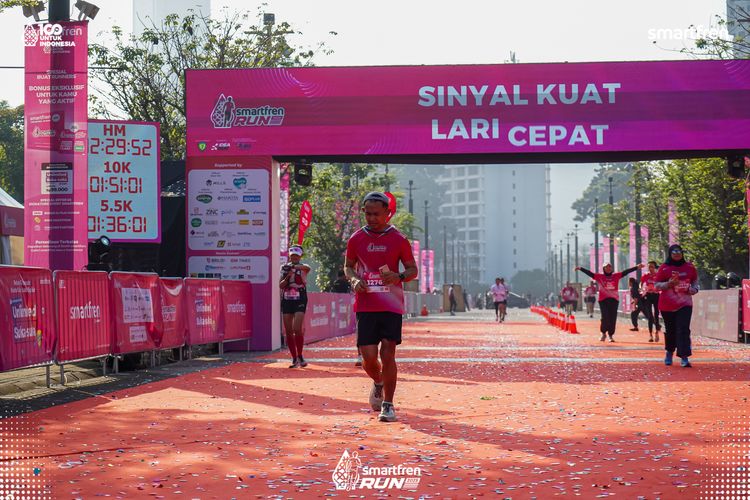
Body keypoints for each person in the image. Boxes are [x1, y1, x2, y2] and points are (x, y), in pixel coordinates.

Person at [344, 191, 418, 422]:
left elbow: (412, 270)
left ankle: (388, 404)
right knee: (368, 359)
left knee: (388, 353)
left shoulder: (399, 239)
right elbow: (348, 266)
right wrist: (354, 280)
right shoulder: (356, 238)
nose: (372, 218)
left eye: (376, 214)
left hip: (391, 305)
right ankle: (378, 382)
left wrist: (398, 276)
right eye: (368, 214)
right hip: (366, 305)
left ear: (387, 213)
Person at [654, 244, 699, 367]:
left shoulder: (689, 267)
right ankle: (669, 352)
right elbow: (656, 285)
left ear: (682, 254)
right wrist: (668, 284)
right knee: (671, 330)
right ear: (670, 254)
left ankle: (684, 357)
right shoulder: (664, 268)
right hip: (667, 305)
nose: (677, 255)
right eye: (674, 253)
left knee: (683, 329)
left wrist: (694, 289)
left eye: (679, 252)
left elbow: (695, 281)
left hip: (685, 303)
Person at [576, 262, 644, 342]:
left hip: (614, 300)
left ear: (611, 269)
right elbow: (590, 274)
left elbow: (626, 272)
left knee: (612, 318)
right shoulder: (600, 277)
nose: (608, 268)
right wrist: (581, 268)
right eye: (606, 267)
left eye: (610, 267)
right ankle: (603, 333)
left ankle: (610, 335)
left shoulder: (616, 276)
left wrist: (636, 267)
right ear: (604, 268)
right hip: (603, 300)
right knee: (605, 317)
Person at [280, 245, 311, 368]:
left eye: (296, 256)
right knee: (288, 331)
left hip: (300, 297)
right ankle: (294, 358)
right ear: (289, 255)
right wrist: (287, 276)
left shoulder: (303, 267)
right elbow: (281, 285)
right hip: (287, 298)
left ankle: (300, 355)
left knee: (297, 329)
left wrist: (294, 267)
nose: (294, 257)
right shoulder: (284, 268)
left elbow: (307, 268)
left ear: (300, 256)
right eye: (292, 255)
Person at [332, 270, 362, 366]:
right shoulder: (353, 276)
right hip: (361, 306)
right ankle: (360, 355)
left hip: (376, 305)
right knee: (360, 331)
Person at [640, 261, 662, 342]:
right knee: (650, 315)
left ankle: (656, 333)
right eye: (649, 267)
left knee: (656, 314)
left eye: (652, 266)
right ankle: (650, 335)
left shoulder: (658, 275)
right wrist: (641, 288)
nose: (650, 268)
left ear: (655, 267)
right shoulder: (646, 275)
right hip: (648, 295)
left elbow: (662, 283)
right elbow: (641, 282)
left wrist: (659, 288)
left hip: (656, 295)